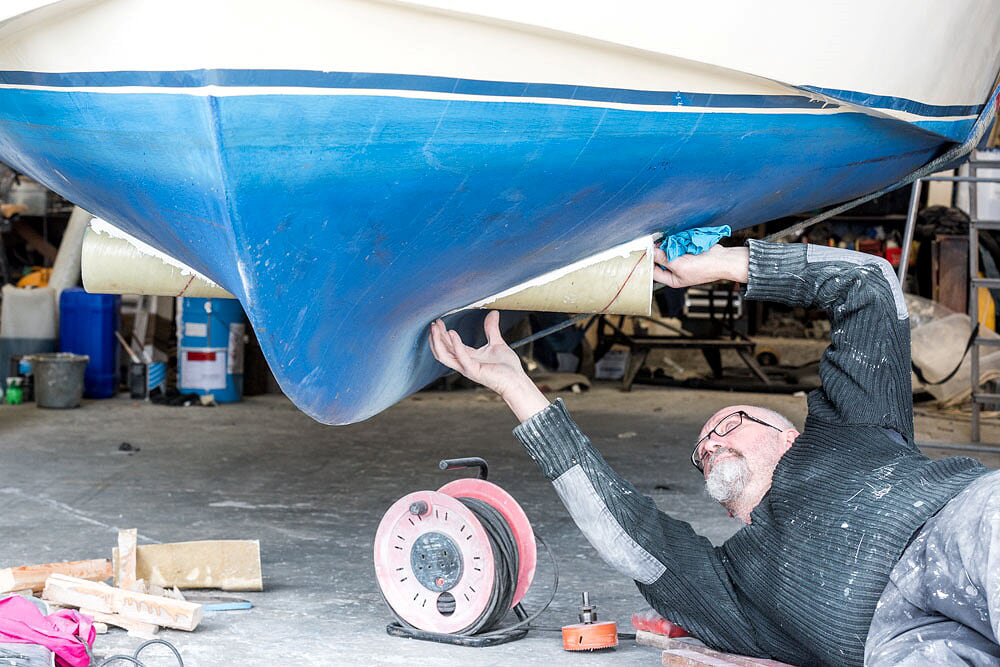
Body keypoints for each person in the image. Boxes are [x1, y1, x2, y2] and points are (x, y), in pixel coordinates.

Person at [428, 240, 999, 666]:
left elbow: (870, 285)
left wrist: (722, 265)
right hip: (894, 646)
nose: (709, 445)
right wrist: (516, 387)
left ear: (786, 434)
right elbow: (623, 530)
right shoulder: (730, 584)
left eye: (726, 425)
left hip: (955, 525)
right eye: (701, 451)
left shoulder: (852, 429)